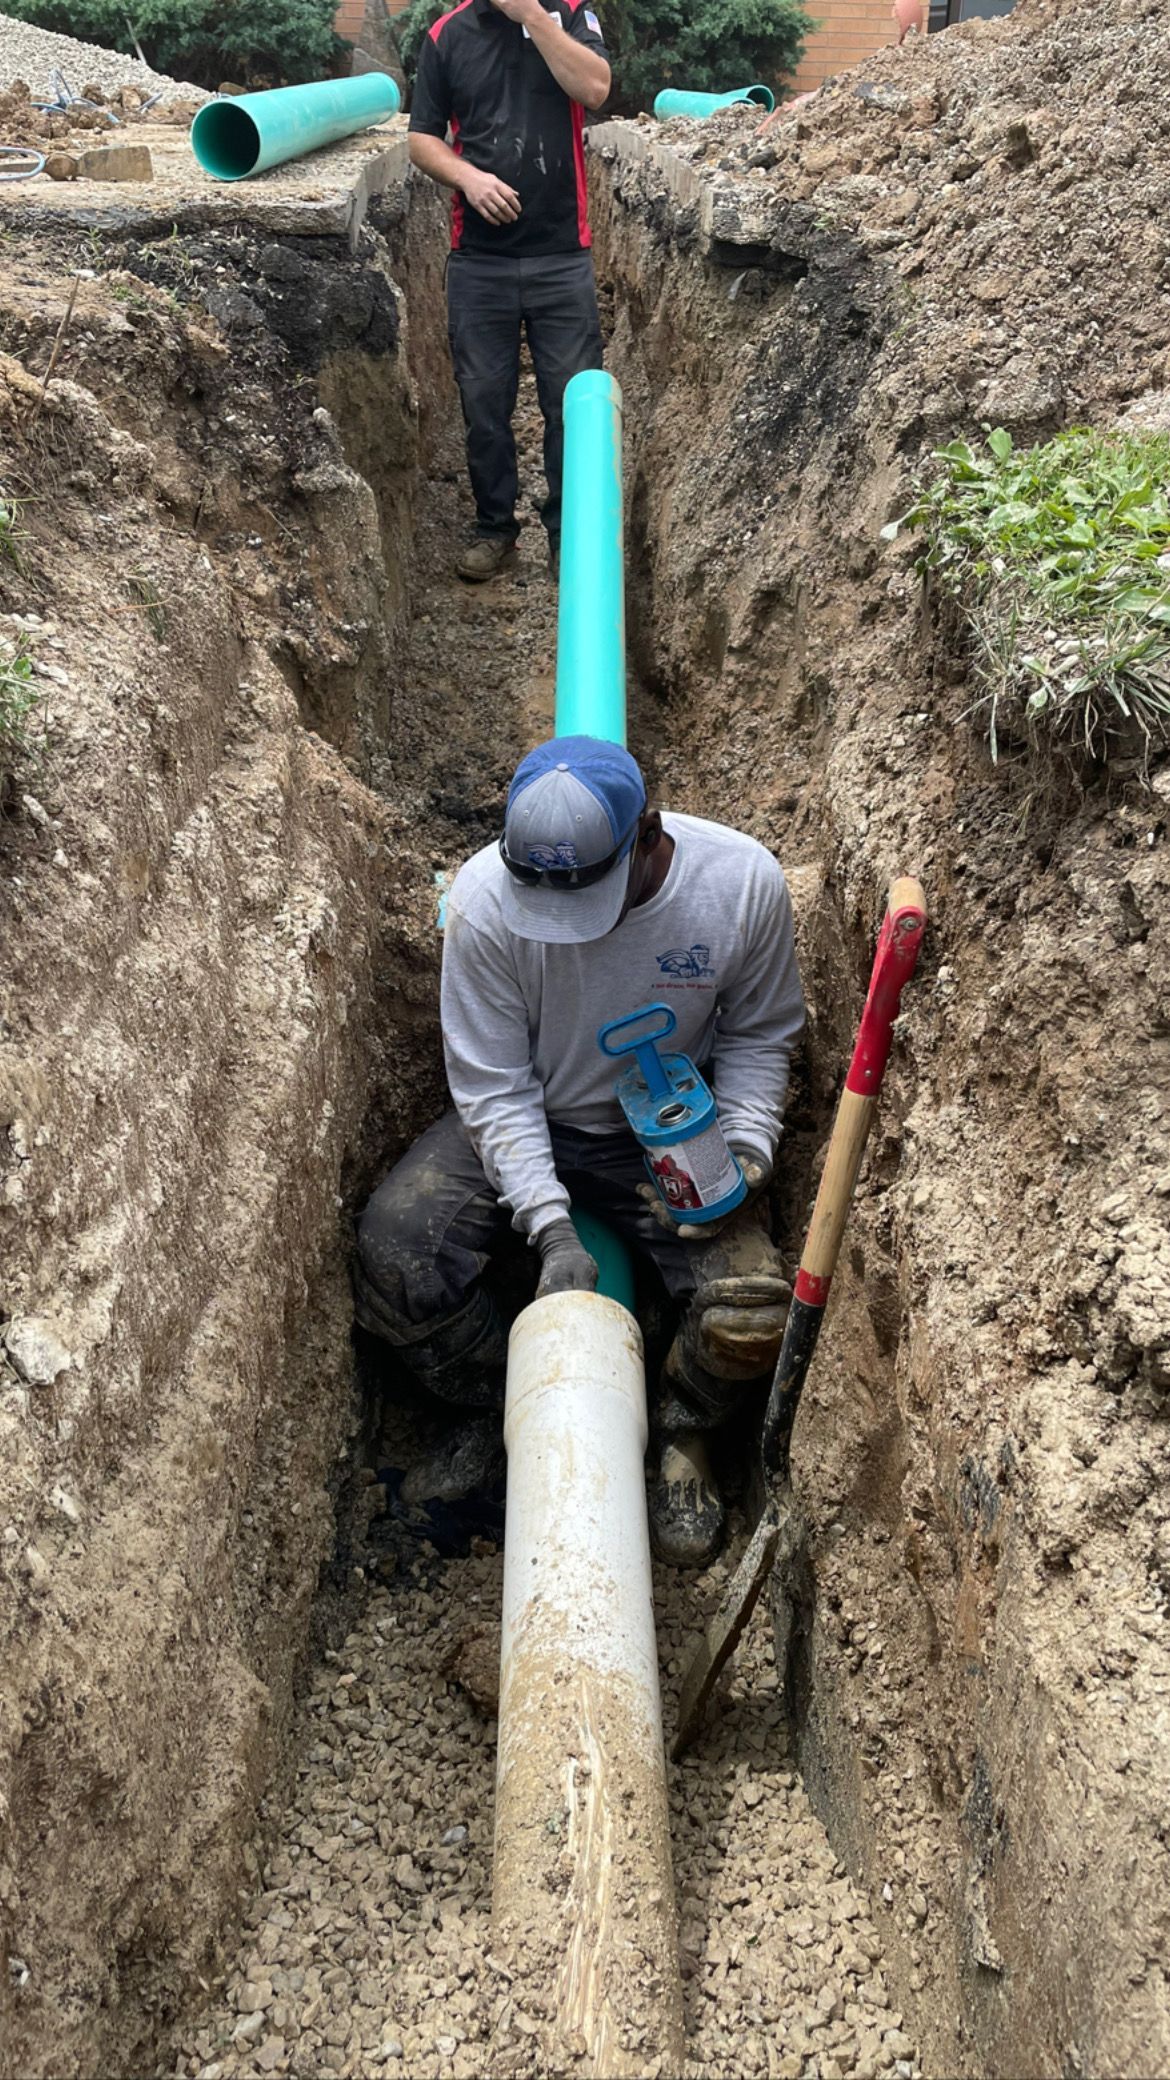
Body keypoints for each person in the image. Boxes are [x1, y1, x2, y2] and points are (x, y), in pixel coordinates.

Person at [356, 735, 805, 1567]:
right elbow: (493, 1083)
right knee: (398, 1249)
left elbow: (760, 1033)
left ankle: (684, 1431)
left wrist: (743, 1152)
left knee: (748, 1308)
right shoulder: (486, 899)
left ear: (649, 834)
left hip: (664, 1128)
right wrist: (551, 1228)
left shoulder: (740, 883)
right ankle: (503, 1408)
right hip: (535, 1116)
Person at [407, 0, 611, 584]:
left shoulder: (571, 17)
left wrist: (535, 19)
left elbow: (596, 89)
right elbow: (421, 137)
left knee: (568, 408)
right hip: (480, 262)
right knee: (484, 406)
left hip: (561, 257)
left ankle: (566, 536)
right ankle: (495, 528)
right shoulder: (447, 36)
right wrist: (467, 176)